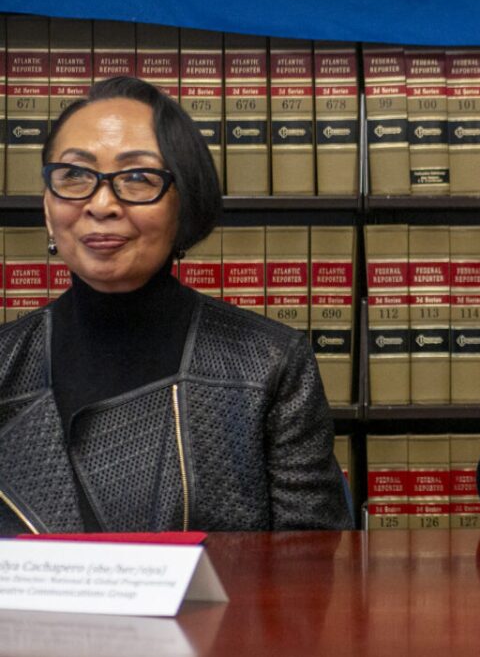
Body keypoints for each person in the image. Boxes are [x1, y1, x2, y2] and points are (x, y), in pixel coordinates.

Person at [0, 76, 350, 534]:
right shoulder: (6, 362)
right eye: (74, 176)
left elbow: (310, 563)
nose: (101, 204)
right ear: (48, 207)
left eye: (138, 178)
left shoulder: (270, 364)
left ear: (183, 204)